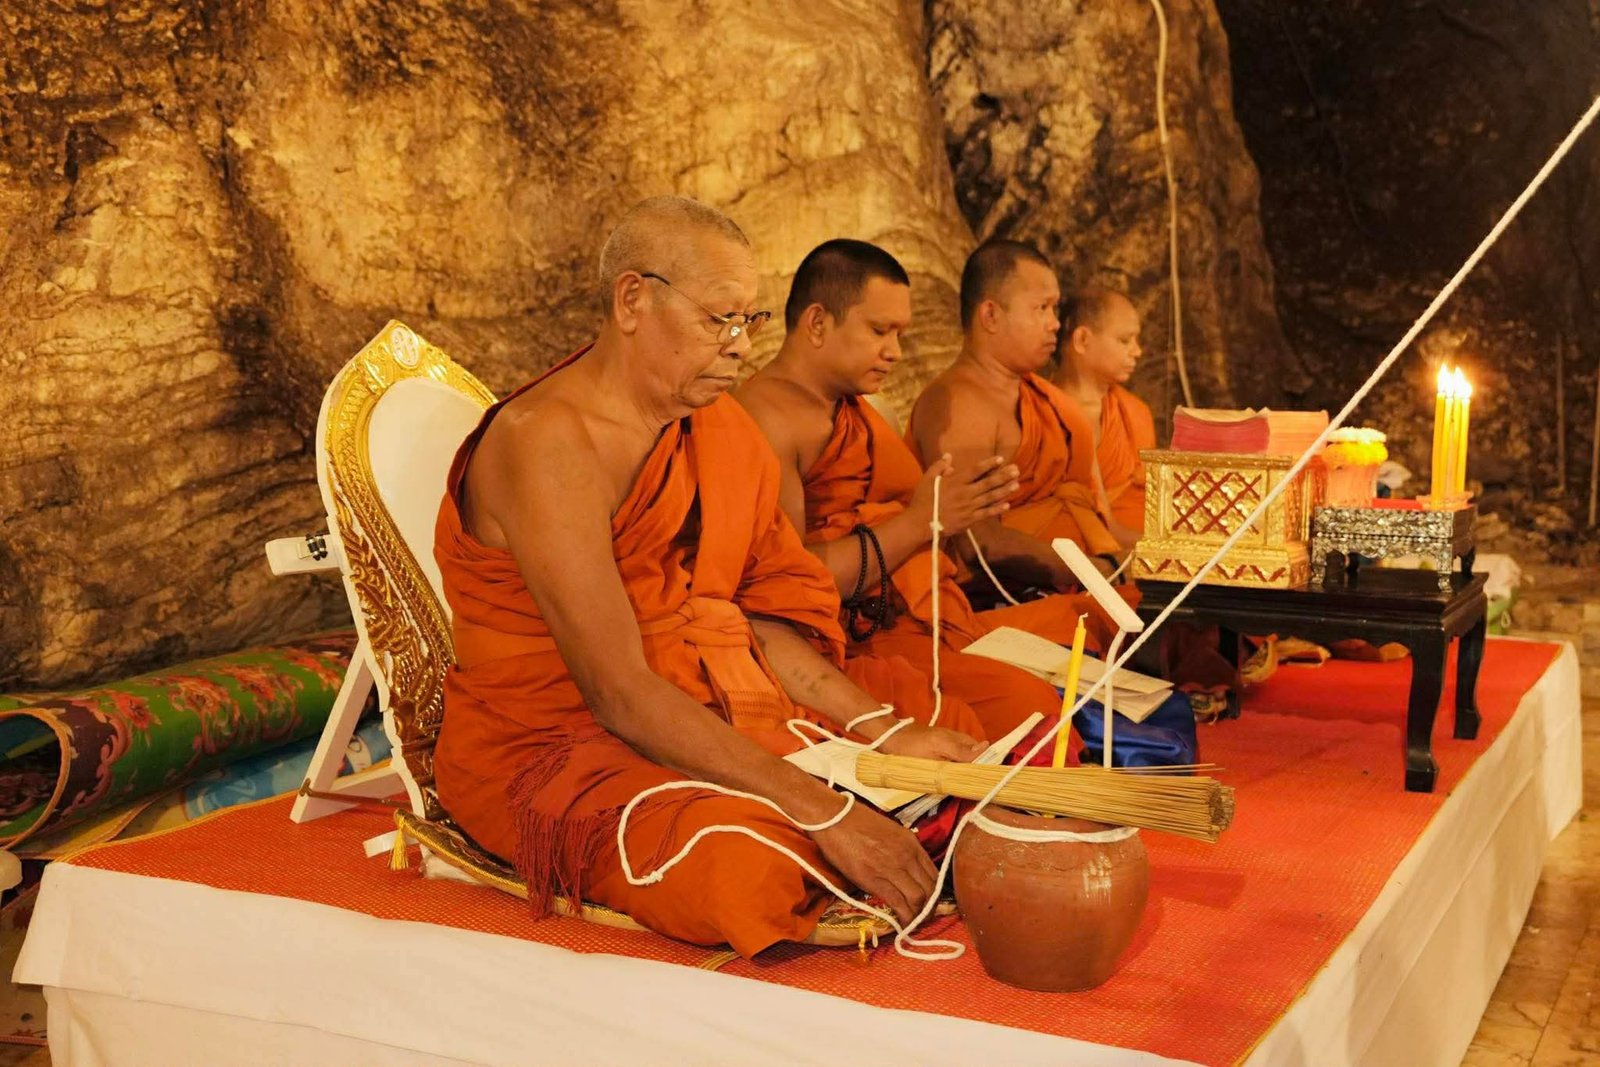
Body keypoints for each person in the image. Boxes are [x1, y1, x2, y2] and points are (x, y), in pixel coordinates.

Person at [431, 197, 981, 959]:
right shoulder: (548, 443)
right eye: (720, 319)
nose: (740, 347)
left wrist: (883, 733)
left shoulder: (711, 428)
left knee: (948, 743)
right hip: (552, 748)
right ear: (633, 300)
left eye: (749, 321)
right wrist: (824, 809)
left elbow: (746, 616)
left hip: (700, 699)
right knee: (756, 868)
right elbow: (617, 692)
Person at [737, 238, 1104, 738]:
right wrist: (922, 522)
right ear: (818, 322)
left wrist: (941, 517)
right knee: (1027, 707)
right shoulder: (767, 419)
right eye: (879, 331)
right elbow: (790, 583)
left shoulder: (853, 411)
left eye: (900, 334)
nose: (895, 352)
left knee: (1057, 678)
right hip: (837, 645)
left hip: (911, 620)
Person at [908, 239, 1126, 609]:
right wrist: (1097, 572)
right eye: (1042, 308)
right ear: (990, 315)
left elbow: (1093, 513)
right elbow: (979, 545)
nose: (1055, 324)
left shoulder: (1048, 401)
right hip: (996, 602)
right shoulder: (959, 405)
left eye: (1055, 308)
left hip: (1079, 582)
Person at [1053, 286, 1157, 553]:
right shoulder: (1052, 413)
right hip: (1096, 556)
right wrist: (1172, 551)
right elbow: (1105, 527)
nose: (1137, 351)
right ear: (1082, 340)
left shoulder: (1134, 411)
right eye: (1124, 340)